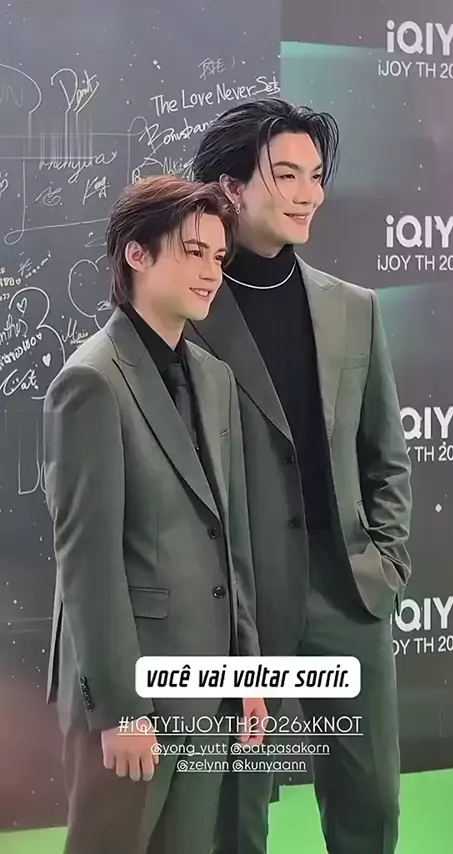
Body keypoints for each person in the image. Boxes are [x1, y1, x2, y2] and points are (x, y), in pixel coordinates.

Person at [187, 98, 412, 854]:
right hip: (237, 598)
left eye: (315, 176)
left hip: (347, 587)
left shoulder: (356, 308)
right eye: (285, 175)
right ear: (230, 187)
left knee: (370, 801)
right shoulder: (188, 312)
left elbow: (385, 453)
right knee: (237, 810)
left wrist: (386, 559)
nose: (307, 193)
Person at [43, 175, 267, 854]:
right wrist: (122, 710)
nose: (211, 272)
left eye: (218, 257)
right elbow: (87, 563)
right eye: (193, 252)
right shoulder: (90, 381)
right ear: (136, 254)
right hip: (131, 696)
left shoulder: (215, 378)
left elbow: (231, 540)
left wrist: (248, 673)